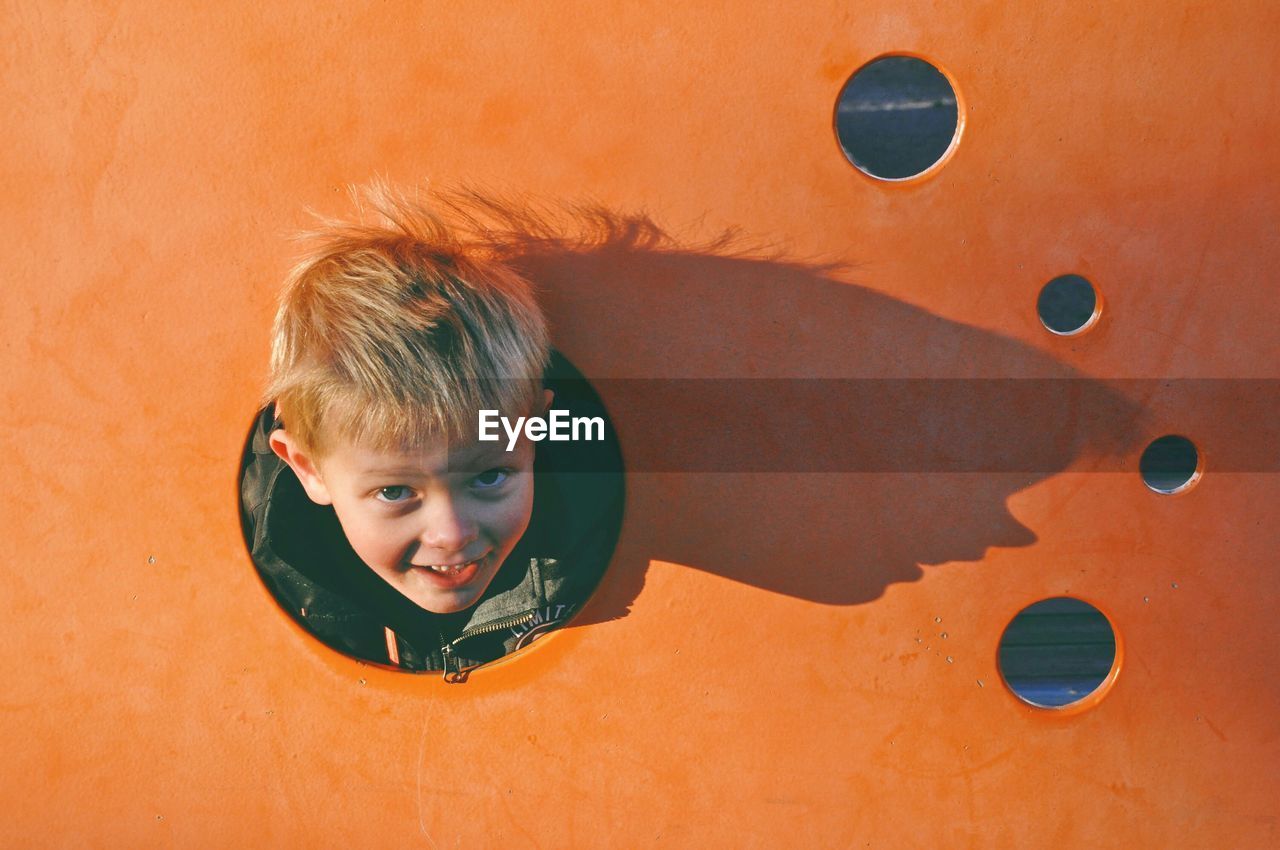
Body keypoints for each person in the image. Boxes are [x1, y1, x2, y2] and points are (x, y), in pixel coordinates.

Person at [238, 185, 623, 679]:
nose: (451, 533)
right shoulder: (284, 562)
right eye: (394, 491)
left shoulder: (585, 535)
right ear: (309, 469)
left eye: (489, 477)